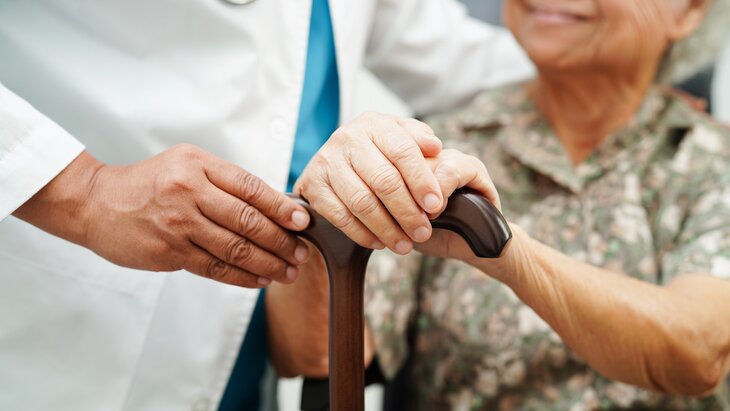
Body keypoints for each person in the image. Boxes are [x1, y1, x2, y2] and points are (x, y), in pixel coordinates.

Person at [0, 1, 533, 410]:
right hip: (68, 297)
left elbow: (445, 52)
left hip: (263, 325)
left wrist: (578, 54)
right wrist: (83, 190)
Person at [295, 0, 730, 409]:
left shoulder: (711, 162)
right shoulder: (443, 147)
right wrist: (323, 217)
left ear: (689, 10)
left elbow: (699, 353)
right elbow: (315, 355)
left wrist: (506, 250)